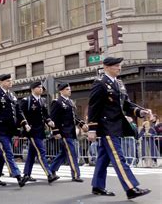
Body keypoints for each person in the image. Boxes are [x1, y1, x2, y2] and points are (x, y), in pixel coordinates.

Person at [88, 57, 152, 199]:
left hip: (116, 126)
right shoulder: (100, 83)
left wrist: (140, 112)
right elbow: (93, 107)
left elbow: (126, 105)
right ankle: (130, 188)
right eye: (116, 65)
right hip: (107, 126)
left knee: (104, 157)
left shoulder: (119, 84)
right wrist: (92, 129)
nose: (119, 68)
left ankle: (98, 186)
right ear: (106, 67)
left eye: (119, 65)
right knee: (118, 158)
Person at [0, 74, 27, 187]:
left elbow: (18, 112)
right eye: (8, 81)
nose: (10, 82)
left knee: (1, 153)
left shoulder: (12, 95)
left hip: (10, 130)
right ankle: (18, 176)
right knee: (8, 152)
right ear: (1, 82)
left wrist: (24, 123)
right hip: (0, 129)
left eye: (10, 81)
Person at [19, 81, 59, 186]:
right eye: (38, 87)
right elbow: (20, 114)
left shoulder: (42, 100)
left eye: (41, 87)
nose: (41, 89)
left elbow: (45, 114)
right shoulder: (26, 100)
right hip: (31, 131)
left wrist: (49, 121)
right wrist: (24, 124)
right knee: (41, 151)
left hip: (41, 131)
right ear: (32, 89)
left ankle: (26, 175)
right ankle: (49, 174)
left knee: (32, 153)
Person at [49, 83, 88, 182]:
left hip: (70, 131)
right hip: (63, 132)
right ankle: (75, 175)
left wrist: (82, 124)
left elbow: (74, 117)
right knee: (72, 152)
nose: (69, 91)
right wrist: (55, 131)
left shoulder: (70, 102)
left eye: (70, 89)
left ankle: (51, 170)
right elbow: (53, 119)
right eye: (67, 89)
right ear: (61, 91)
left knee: (63, 153)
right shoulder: (57, 102)